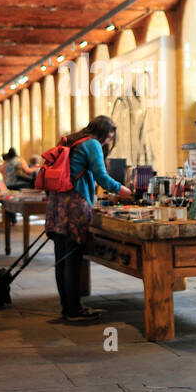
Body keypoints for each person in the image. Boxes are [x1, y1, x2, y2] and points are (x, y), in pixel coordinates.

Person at [43, 115, 133, 322]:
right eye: (108, 138)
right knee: (73, 259)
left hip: (57, 204)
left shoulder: (72, 139)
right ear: (103, 133)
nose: (107, 142)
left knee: (61, 258)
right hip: (74, 205)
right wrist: (122, 190)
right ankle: (74, 310)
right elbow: (100, 175)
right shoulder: (92, 143)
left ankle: (67, 307)